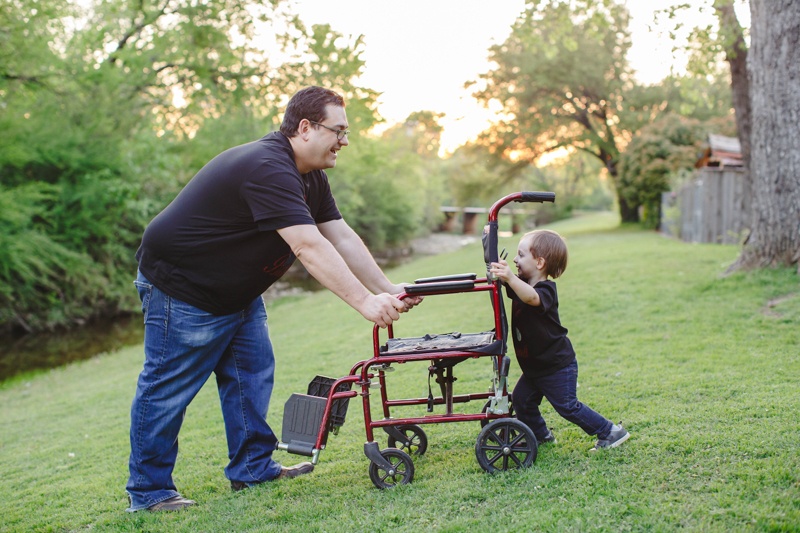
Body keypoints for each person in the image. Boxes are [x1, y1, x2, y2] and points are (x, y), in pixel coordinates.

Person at [126, 86, 422, 512]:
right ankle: (149, 492)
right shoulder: (268, 167)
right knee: (167, 390)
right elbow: (309, 246)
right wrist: (363, 302)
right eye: (338, 130)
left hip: (238, 291)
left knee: (252, 376)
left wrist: (386, 288)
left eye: (346, 131)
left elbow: (338, 235)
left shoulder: (310, 175)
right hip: (183, 288)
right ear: (305, 128)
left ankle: (251, 469)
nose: (345, 140)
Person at [489, 229, 629, 451]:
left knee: (568, 407)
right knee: (522, 401)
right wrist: (494, 255)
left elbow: (531, 297)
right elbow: (514, 286)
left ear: (540, 262)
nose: (515, 259)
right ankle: (541, 435)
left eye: (521, 254)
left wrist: (510, 277)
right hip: (536, 367)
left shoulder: (544, 290)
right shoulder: (521, 285)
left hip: (556, 366)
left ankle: (610, 432)